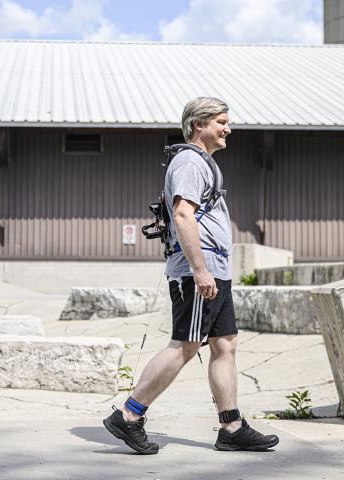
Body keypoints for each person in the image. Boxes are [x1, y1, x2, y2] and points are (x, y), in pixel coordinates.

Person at [103, 97, 279, 454]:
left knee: (225, 343)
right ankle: (129, 415)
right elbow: (183, 216)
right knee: (186, 344)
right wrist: (200, 270)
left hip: (216, 268)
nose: (228, 128)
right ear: (198, 124)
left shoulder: (203, 163)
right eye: (222, 122)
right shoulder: (189, 162)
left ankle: (230, 426)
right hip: (200, 269)